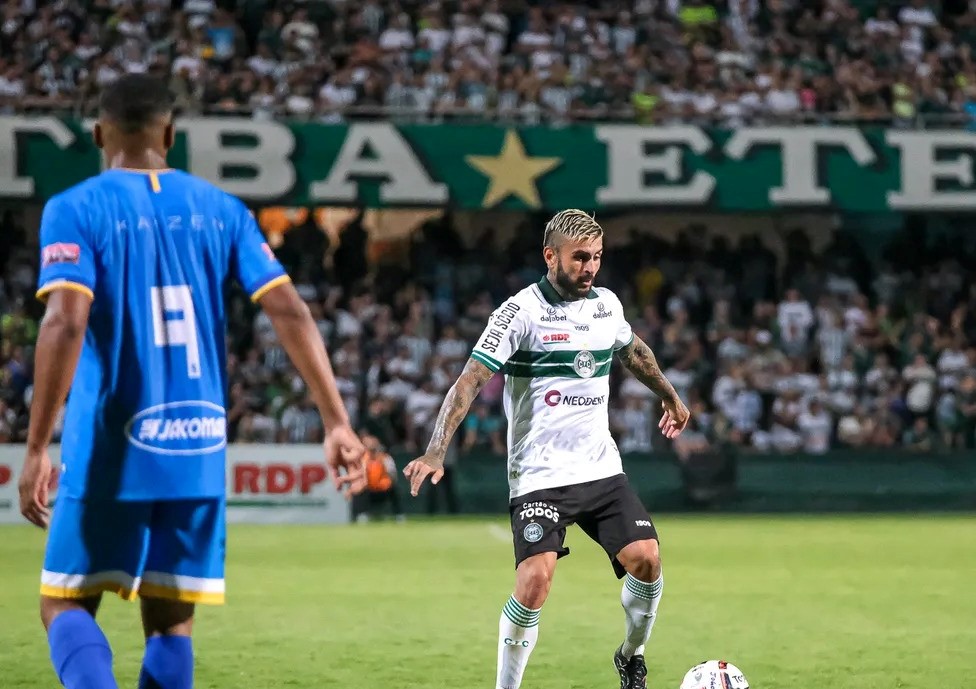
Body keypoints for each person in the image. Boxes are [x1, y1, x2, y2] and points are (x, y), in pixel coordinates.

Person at [17, 74, 366, 689]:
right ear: (171, 135)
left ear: (98, 134)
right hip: (198, 446)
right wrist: (336, 420)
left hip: (108, 448)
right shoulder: (222, 209)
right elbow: (289, 309)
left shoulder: (73, 207)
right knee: (171, 626)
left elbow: (66, 322)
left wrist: (39, 444)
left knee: (63, 602)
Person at [404, 209, 690, 689]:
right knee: (535, 582)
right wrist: (436, 450)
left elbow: (634, 351)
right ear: (550, 255)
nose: (590, 267)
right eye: (580, 257)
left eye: (597, 257)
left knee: (648, 558)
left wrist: (670, 394)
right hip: (539, 475)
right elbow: (470, 380)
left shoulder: (606, 306)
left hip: (600, 469)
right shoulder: (519, 312)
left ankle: (631, 655)